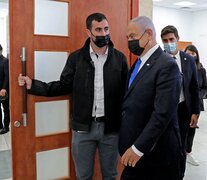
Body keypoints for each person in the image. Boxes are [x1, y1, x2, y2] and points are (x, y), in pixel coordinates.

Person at [18, 13, 128, 180]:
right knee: (83, 176)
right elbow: (63, 86)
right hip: (82, 129)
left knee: (111, 175)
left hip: (111, 129)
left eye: (106, 29)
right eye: (98, 29)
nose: (103, 34)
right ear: (88, 32)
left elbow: (127, 93)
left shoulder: (120, 59)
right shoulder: (76, 58)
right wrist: (33, 85)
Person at [118, 16, 182, 180]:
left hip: (155, 155)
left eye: (132, 36)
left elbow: (162, 114)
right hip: (136, 154)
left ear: (148, 34)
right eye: (127, 38)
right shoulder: (138, 64)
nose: (129, 41)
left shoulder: (167, 65)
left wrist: (138, 148)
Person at [161, 25, 200, 178]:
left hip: (183, 108)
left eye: (171, 39)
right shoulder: (159, 59)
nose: (168, 42)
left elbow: (194, 87)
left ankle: (179, 174)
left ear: (177, 39)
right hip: (164, 110)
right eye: (165, 40)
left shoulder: (188, 60)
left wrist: (195, 112)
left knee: (181, 145)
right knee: (164, 145)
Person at [184, 44, 207, 166]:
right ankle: (181, 151)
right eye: (188, 53)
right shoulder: (181, 67)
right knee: (183, 128)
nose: (191, 55)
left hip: (196, 104)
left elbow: (205, 87)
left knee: (192, 129)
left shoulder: (201, 70)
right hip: (184, 104)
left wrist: (199, 95)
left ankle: (188, 151)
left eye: (193, 53)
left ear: (197, 55)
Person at [0, 44, 10, 135]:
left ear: (1, 50)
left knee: (5, 108)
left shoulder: (5, 61)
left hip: (3, 90)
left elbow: (7, 76)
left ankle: (6, 127)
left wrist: (4, 88)